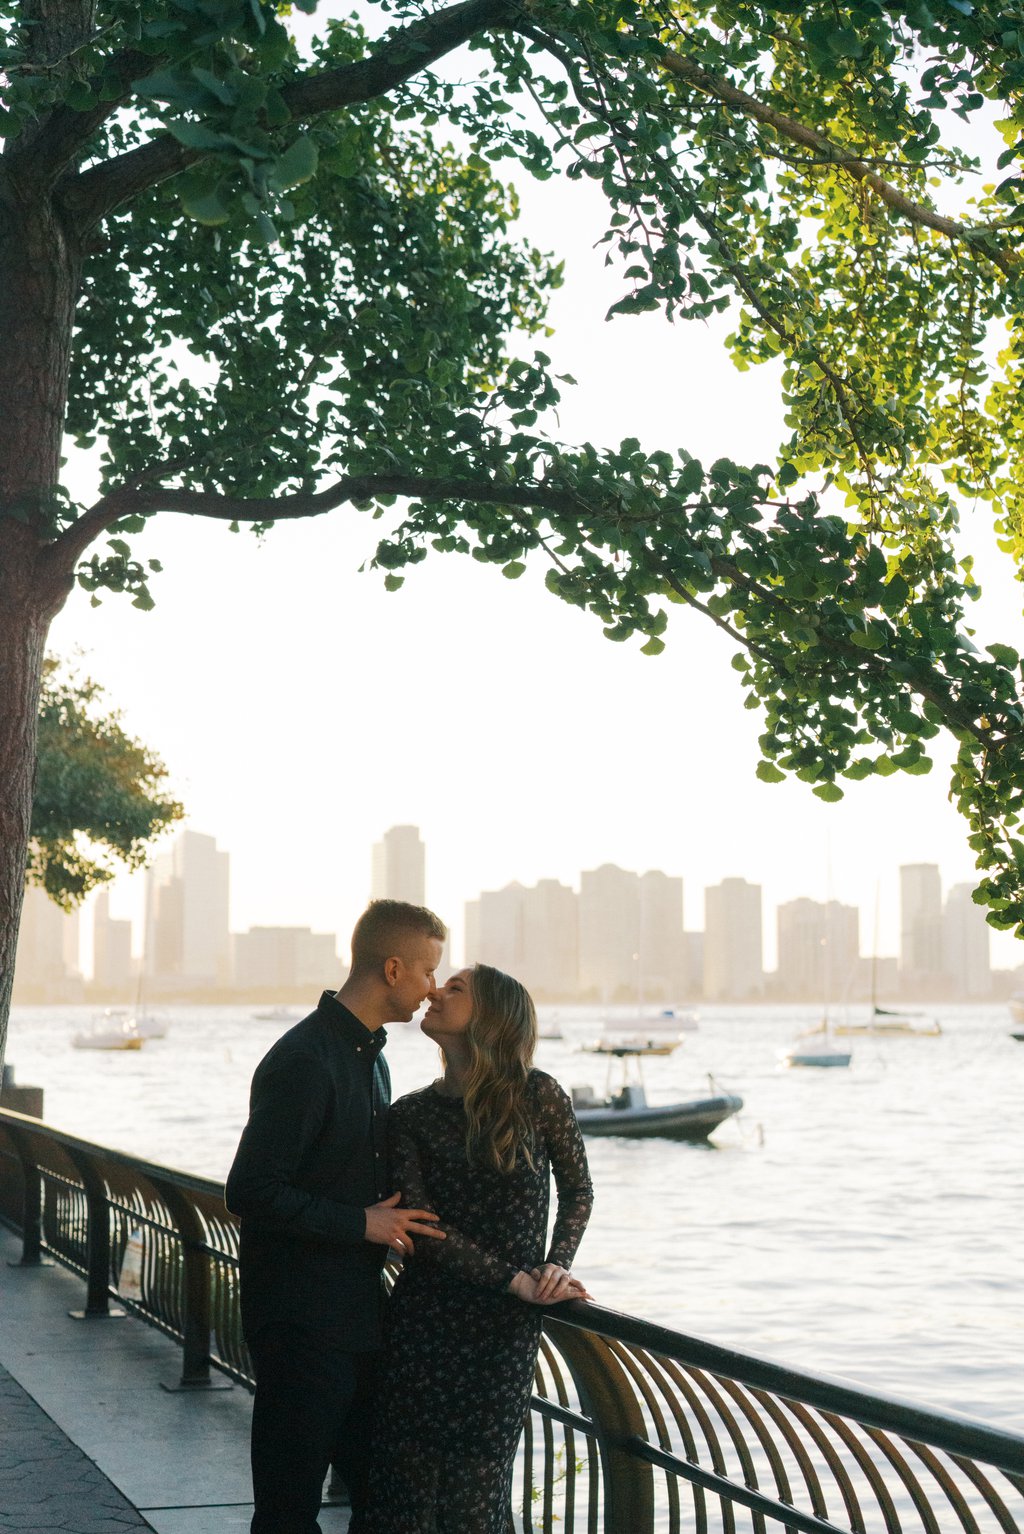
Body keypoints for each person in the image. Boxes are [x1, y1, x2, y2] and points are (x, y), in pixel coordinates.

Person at [224, 899, 449, 1534]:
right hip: (300, 1323)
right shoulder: (305, 1060)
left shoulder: (372, 1059)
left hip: (353, 1320)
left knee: (377, 1494)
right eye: (431, 971)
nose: (434, 987)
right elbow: (250, 1189)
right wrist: (363, 1225)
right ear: (395, 968)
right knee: (289, 1507)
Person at [364, 963, 595, 1534]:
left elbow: (579, 1191)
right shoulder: (409, 1116)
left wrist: (554, 1265)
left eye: (456, 988)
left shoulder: (538, 1096)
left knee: (475, 1500)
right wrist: (513, 1280)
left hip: (500, 1339)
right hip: (422, 1329)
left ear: (492, 1015)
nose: (436, 992)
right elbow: (419, 1225)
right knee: (403, 1499)